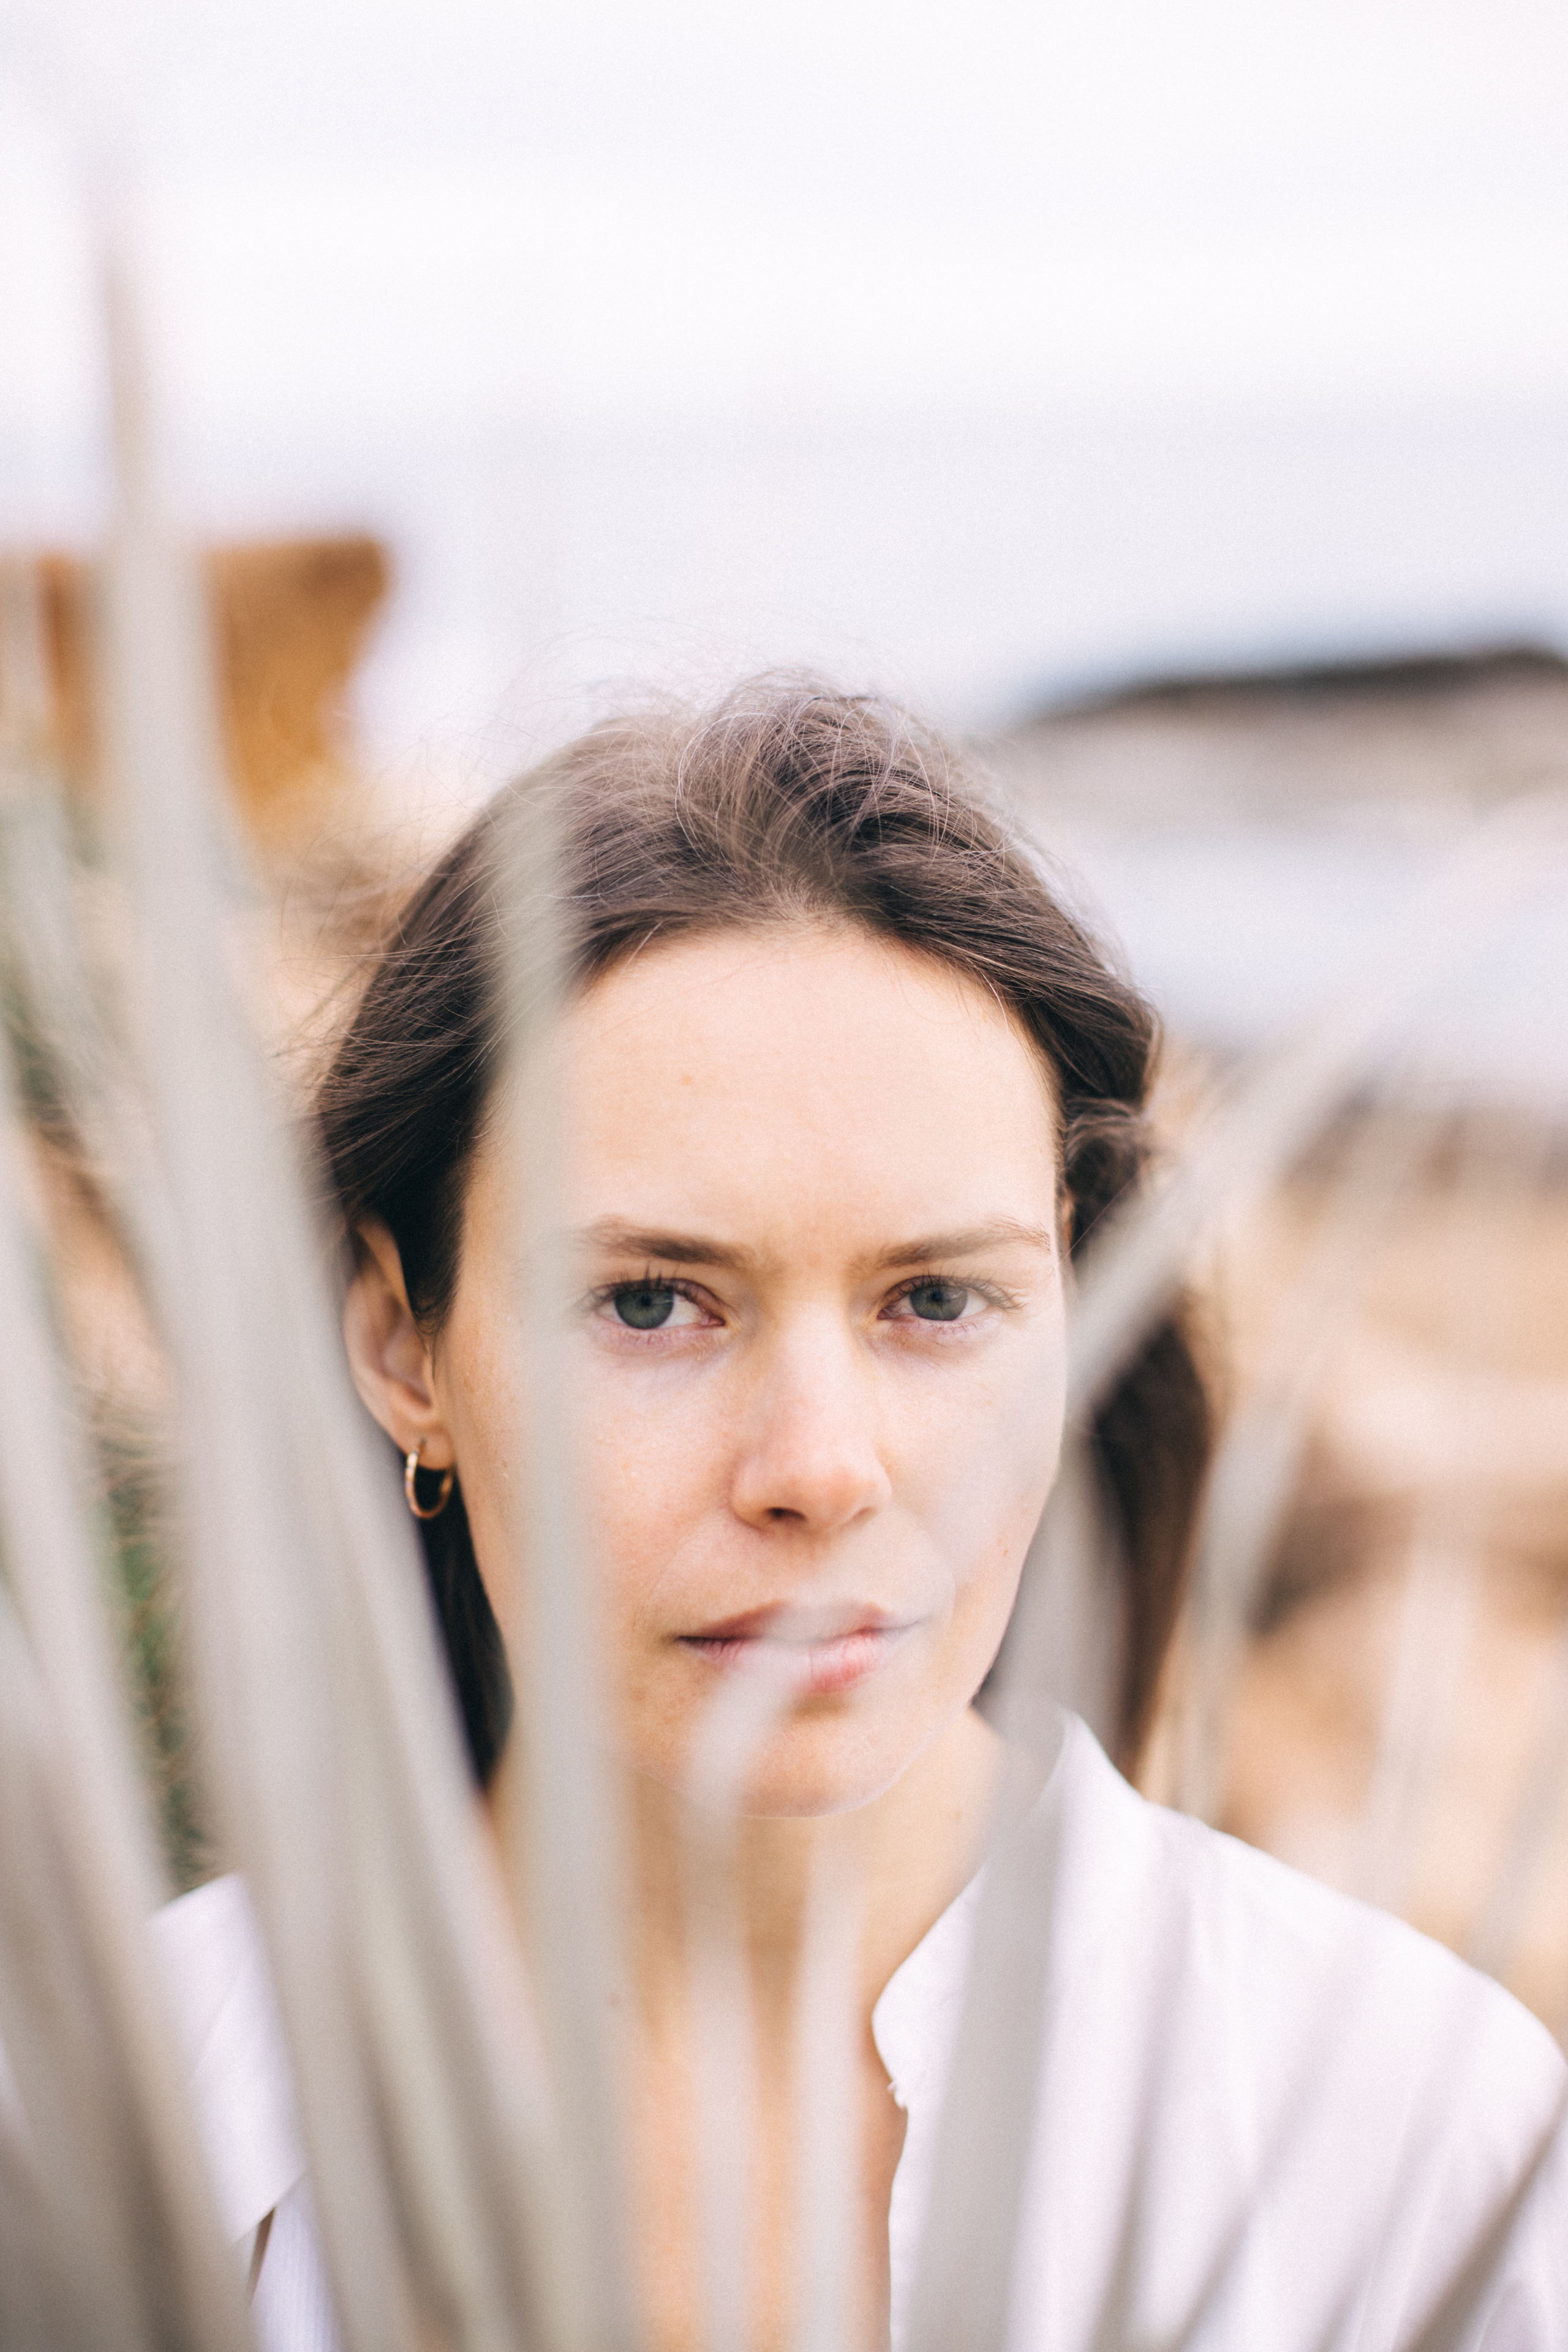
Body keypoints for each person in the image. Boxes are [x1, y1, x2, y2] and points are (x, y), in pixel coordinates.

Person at [155, 680, 1566, 2349]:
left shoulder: (1406, 2142)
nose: (822, 1469)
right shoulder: (127, 2123)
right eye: (655, 1304)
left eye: (939, 1302)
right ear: (405, 1345)